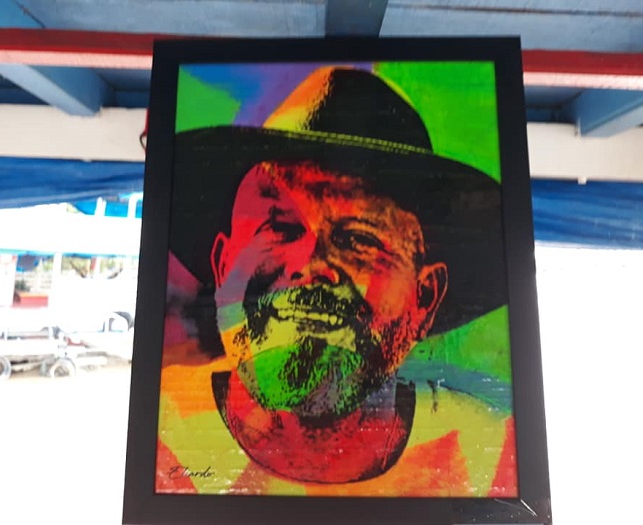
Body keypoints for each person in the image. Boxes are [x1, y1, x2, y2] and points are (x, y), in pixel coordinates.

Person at [157, 66, 516, 497]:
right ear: (221, 265)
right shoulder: (162, 430)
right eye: (279, 226)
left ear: (424, 297)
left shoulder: (488, 456)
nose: (310, 265)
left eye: (358, 239)